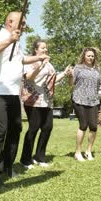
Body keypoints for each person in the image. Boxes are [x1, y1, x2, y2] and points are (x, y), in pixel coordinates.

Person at [0, 11, 49, 188]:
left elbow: (21, 60)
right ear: (11, 22)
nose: (25, 26)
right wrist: (9, 40)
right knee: (0, 130)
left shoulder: (17, 43)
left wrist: (39, 57)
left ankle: (7, 167)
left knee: (16, 129)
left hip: (13, 93)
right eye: (23, 23)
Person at [19, 40, 71, 168]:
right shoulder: (30, 62)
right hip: (33, 100)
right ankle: (25, 159)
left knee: (47, 127)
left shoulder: (49, 65)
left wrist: (64, 73)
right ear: (36, 50)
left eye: (46, 48)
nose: (45, 50)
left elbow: (52, 81)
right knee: (33, 128)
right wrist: (41, 65)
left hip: (47, 101)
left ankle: (39, 157)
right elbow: (30, 77)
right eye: (43, 48)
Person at [69, 47, 101, 161]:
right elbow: (71, 84)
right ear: (84, 56)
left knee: (94, 127)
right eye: (88, 55)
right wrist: (70, 76)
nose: (90, 57)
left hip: (93, 101)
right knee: (83, 125)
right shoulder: (78, 68)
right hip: (79, 99)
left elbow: (99, 86)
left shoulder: (97, 70)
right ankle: (77, 152)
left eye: (92, 56)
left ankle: (88, 151)